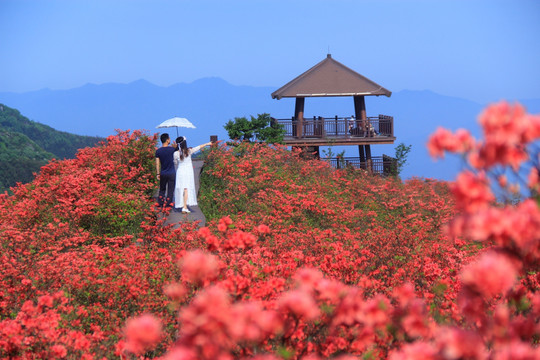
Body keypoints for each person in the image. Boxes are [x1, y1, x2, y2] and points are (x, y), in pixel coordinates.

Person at [173, 136, 212, 213]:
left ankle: (182, 205)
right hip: (188, 172)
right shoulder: (189, 151)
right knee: (186, 188)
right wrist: (207, 143)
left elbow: (175, 163)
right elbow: (198, 147)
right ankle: (184, 207)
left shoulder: (175, 153)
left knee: (181, 188)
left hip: (180, 172)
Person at [155, 133, 177, 209]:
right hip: (171, 173)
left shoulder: (158, 151)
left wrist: (158, 173)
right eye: (169, 138)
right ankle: (168, 204)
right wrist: (176, 147)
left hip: (163, 172)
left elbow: (157, 163)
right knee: (171, 189)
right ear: (167, 140)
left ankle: (160, 203)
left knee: (162, 189)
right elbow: (179, 153)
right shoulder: (172, 149)